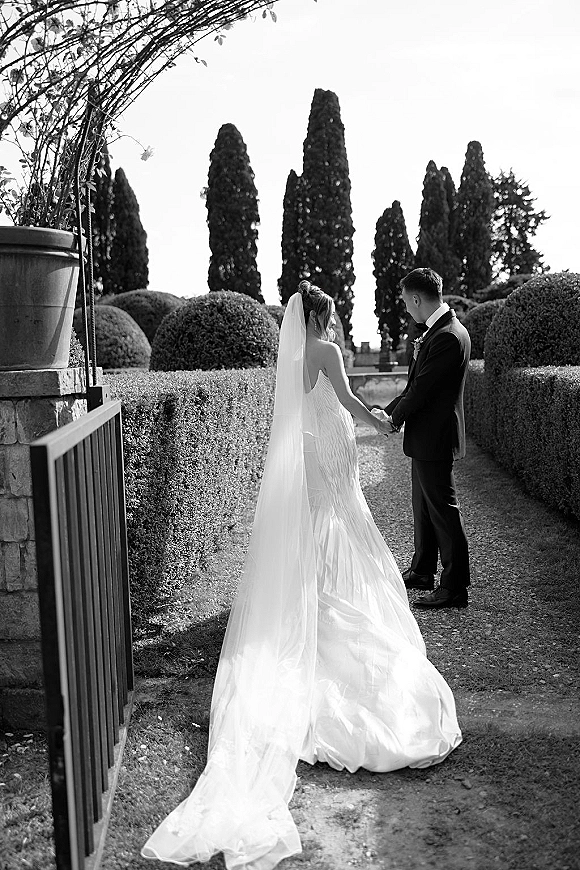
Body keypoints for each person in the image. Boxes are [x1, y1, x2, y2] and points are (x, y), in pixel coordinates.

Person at [142, 281, 462, 869]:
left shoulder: (290, 358)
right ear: (320, 316)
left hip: (310, 454)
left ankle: (317, 592)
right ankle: (337, 602)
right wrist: (382, 418)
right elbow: (343, 400)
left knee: (324, 523)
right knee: (345, 520)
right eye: (331, 312)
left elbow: (293, 416)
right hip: (334, 446)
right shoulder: (327, 352)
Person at [384, 267, 471, 609]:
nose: (406, 307)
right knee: (423, 506)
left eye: (406, 301)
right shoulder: (437, 331)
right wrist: (388, 411)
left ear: (417, 298)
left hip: (435, 437)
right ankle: (422, 570)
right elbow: (414, 386)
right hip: (426, 436)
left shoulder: (447, 336)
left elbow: (423, 390)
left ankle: (454, 587)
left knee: (444, 511)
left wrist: (393, 419)